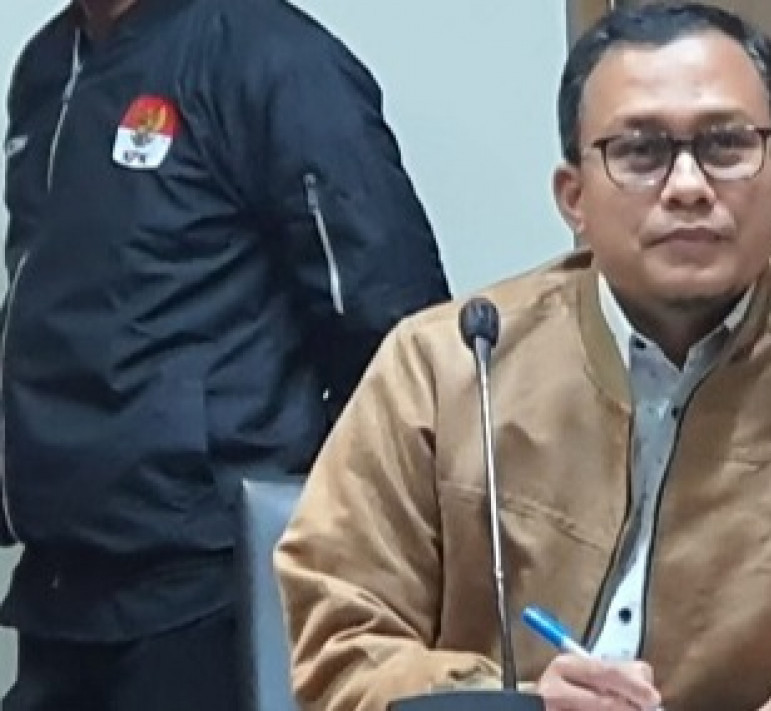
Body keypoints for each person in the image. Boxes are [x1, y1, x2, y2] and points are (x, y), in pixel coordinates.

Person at [275, 3, 771, 710]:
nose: (688, 186)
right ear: (573, 197)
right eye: (640, 153)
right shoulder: (448, 364)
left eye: (726, 144)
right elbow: (342, 633)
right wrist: (516, 703)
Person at [0, 0, 451, 707]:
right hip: (59, 584)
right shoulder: (47, 65)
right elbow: (45, 301)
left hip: (210, 580)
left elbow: (391, 322)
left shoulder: (274, 60)